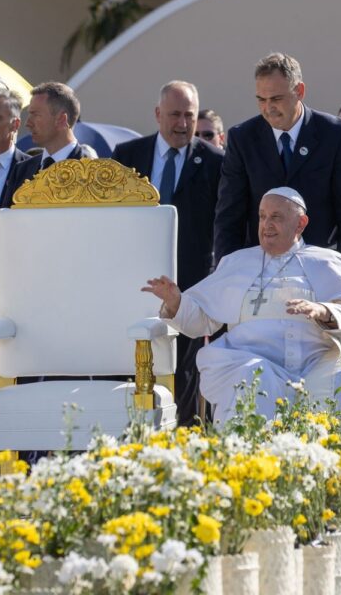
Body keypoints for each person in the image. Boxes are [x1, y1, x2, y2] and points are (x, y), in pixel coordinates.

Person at [144, 187, 341, 424]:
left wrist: (323, 310)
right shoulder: (237, 262)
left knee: (337, 383)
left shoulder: (328, 261)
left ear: (300, 223)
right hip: (245, 360)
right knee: (255, 375)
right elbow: (202, 322)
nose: (266, 224)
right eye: (262, 216)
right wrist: (176, 302)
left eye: (276, 217)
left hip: (314, 366)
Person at [111, 81, 223, 425]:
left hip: (191, 283)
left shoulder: (216, 162)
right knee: (133, 362)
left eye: (189, 115)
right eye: (174, 115)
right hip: (137, 281)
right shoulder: (127, 156)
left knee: (184, 370)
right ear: (158, 114)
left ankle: (181, 437)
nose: (182, 124)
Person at [214, 53, 341, 270]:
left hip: (321, 266)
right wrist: (227, 274)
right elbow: (229, 216)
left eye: (276, 99)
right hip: (259, 269)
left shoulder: (336, 134)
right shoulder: (243, 138)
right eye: (261, 100)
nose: (268, 108)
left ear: (300, 92)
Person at [7, 82, 92, 190]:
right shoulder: (21, 170)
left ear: (61, 120)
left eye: (36, 115)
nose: (28, 123)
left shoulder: (90, 171)